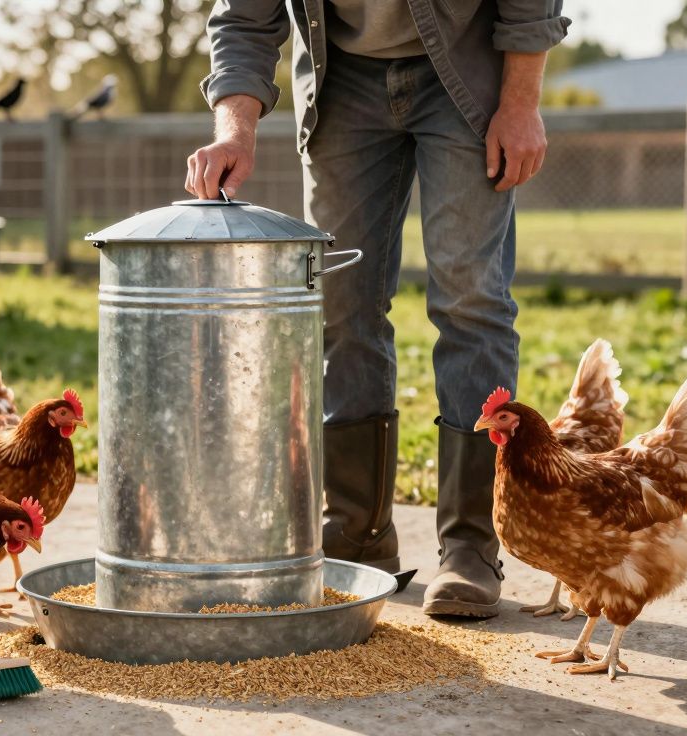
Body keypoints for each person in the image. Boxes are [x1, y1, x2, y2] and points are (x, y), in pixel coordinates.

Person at [185, 0, 569, 618]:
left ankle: (470, 546)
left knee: (469, 296)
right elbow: (243, 17)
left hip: (464, 71)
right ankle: (357, 536)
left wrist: (521, 102)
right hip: (340, 80)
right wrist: (235, 130)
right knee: (338, 301)